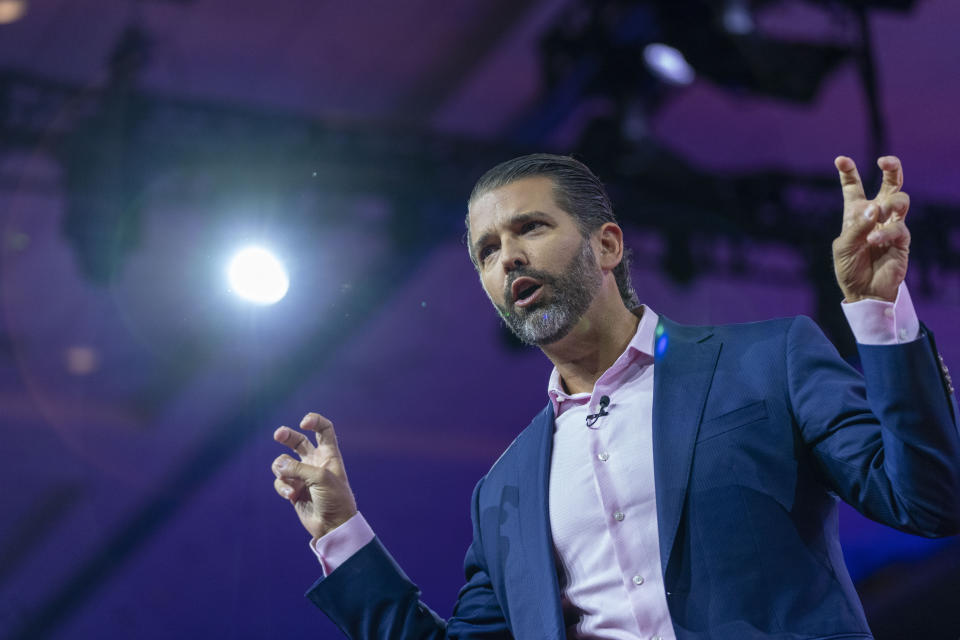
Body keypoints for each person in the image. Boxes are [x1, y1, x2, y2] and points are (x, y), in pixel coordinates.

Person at [270, 153, 960, 639]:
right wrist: (341, 533)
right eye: (485, 250)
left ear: (606, 245)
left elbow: (929, 500)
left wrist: (877, 311)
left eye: (529, 229)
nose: (506, 257)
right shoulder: (503, 491)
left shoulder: (767, 361)